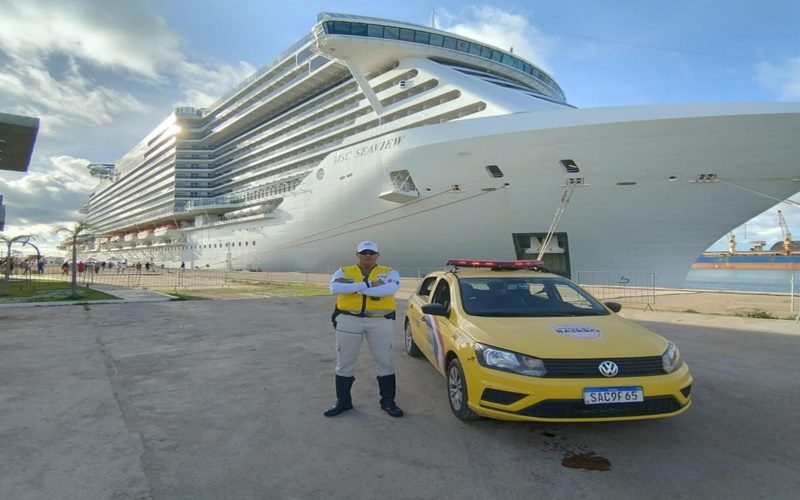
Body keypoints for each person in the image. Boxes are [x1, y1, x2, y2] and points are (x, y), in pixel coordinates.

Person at [325, 240, 404, 418]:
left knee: (386, 361)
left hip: (380, 321)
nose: (367, 256)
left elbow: (389, 289)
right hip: (348, 320)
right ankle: (343, 401)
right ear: (357, 255)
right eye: (364, 253)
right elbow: (335, 288)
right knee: (344, 362)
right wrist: (367, 285)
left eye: (371, 253)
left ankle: (388, 402)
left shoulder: (389, 272)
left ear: (377, 255)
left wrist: (352, 289)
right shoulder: (343, 271)